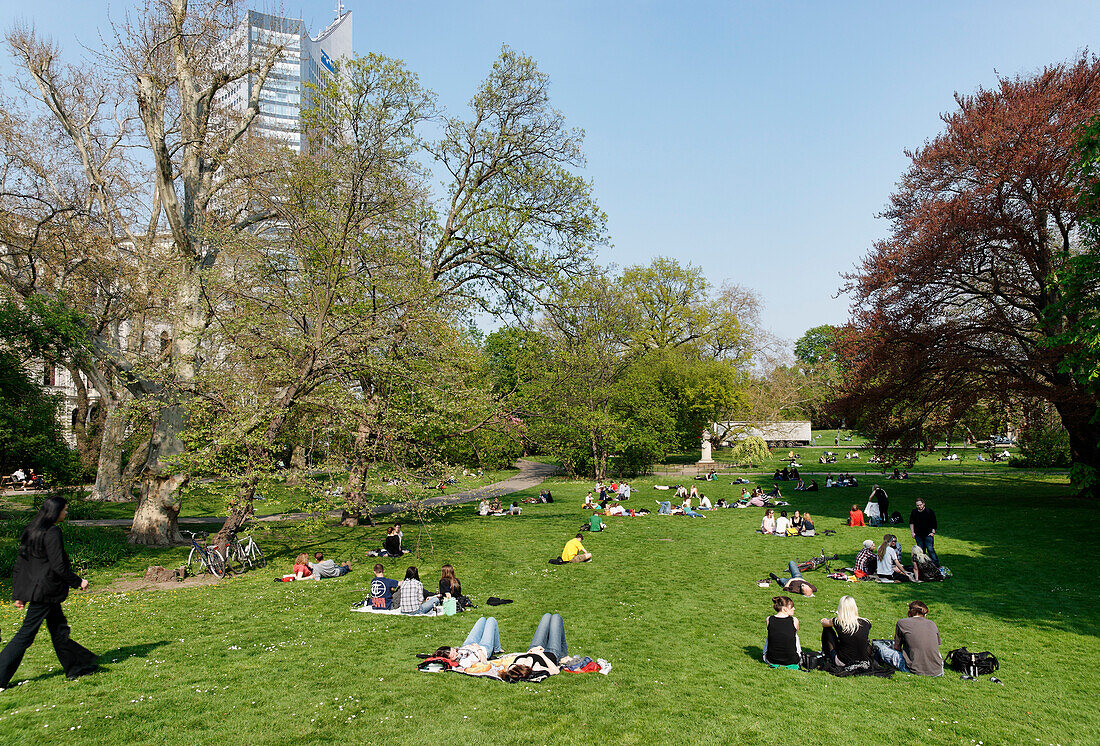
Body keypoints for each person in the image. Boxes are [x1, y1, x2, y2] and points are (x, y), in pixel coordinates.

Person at [0, 495, 97, 688]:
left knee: (59, 628)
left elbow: (20, 565)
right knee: (26, 634)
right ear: (56, 511)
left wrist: (19, 594)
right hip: (46, 591)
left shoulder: (31, 530)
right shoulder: (52, 532)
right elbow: (58, 566)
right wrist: (78, 582)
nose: (66, 512)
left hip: (42, 591)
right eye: (64, 509)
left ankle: (76, 666)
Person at [873, 600, 943, 676]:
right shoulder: (932, 624)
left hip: (914, 669)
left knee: (882, 650)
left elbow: (897, 648)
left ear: (909, 611)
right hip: (938, 671)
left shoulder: (902, 623)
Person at [820, 595, 872, 666]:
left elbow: (824, 623)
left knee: (827, 629)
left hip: (843, 661)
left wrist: (825, 620)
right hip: (863, 660)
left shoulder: (838, 622)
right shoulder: (866, 622)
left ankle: (826, 654)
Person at [435, 616, 503, 667]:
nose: (456, 653)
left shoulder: (456, 652)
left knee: (482, 619)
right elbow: (484, 663)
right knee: (491, 620)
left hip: (468, 644)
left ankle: (497, 648)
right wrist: (478, 649)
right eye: (453, 655)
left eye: (453, 650)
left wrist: (467, 646)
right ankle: (497, 649)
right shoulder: (463, 662)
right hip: (484, 648)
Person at [763, 595, 801, 668]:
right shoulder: (794, 620)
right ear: (785, 609)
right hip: (793, 660)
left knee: (772, 634)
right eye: (791, 607)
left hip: (771, 659)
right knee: (795, 635)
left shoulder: (769, 619)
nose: (794, 608)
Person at [909, 499, 939, 565]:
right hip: (918, 535)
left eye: (920, 505)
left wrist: (933, 532)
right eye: (917, 505)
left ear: (923, 504)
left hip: (928, 534)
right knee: (921, 551)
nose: (919, 506)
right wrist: (912, 532)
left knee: (930, 549)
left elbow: (934, 522)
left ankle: (936, 564)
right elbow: (911, 523)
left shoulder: (929, 511)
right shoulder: (914, 512)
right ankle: (923, 564)